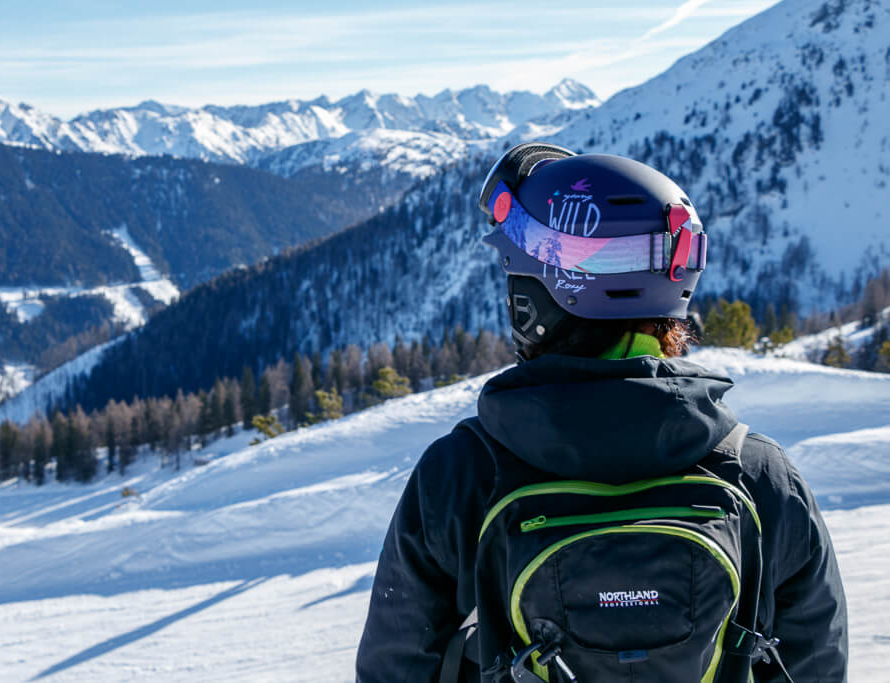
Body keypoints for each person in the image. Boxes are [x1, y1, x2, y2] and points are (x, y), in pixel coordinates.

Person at [356, 144, 847, 682]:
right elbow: (814, 664)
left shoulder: (459, 476)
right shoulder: (760, 475)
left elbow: (395, 666)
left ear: (536, 297)